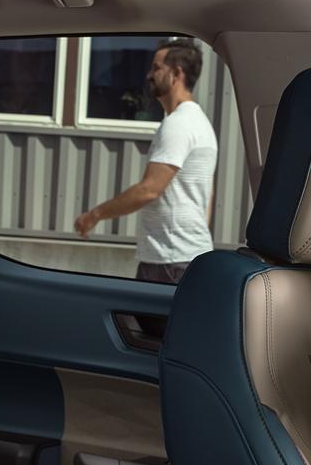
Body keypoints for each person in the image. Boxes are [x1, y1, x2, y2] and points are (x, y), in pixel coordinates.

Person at [75, 38, 218, 284]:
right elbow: (207, 195)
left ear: (176, 74)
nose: (149, 74)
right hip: (183, 256)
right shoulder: (200, 122)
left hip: (170, 261)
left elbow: (149, 190)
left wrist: (94, 215)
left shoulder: (178, 124)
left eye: (156, 67)